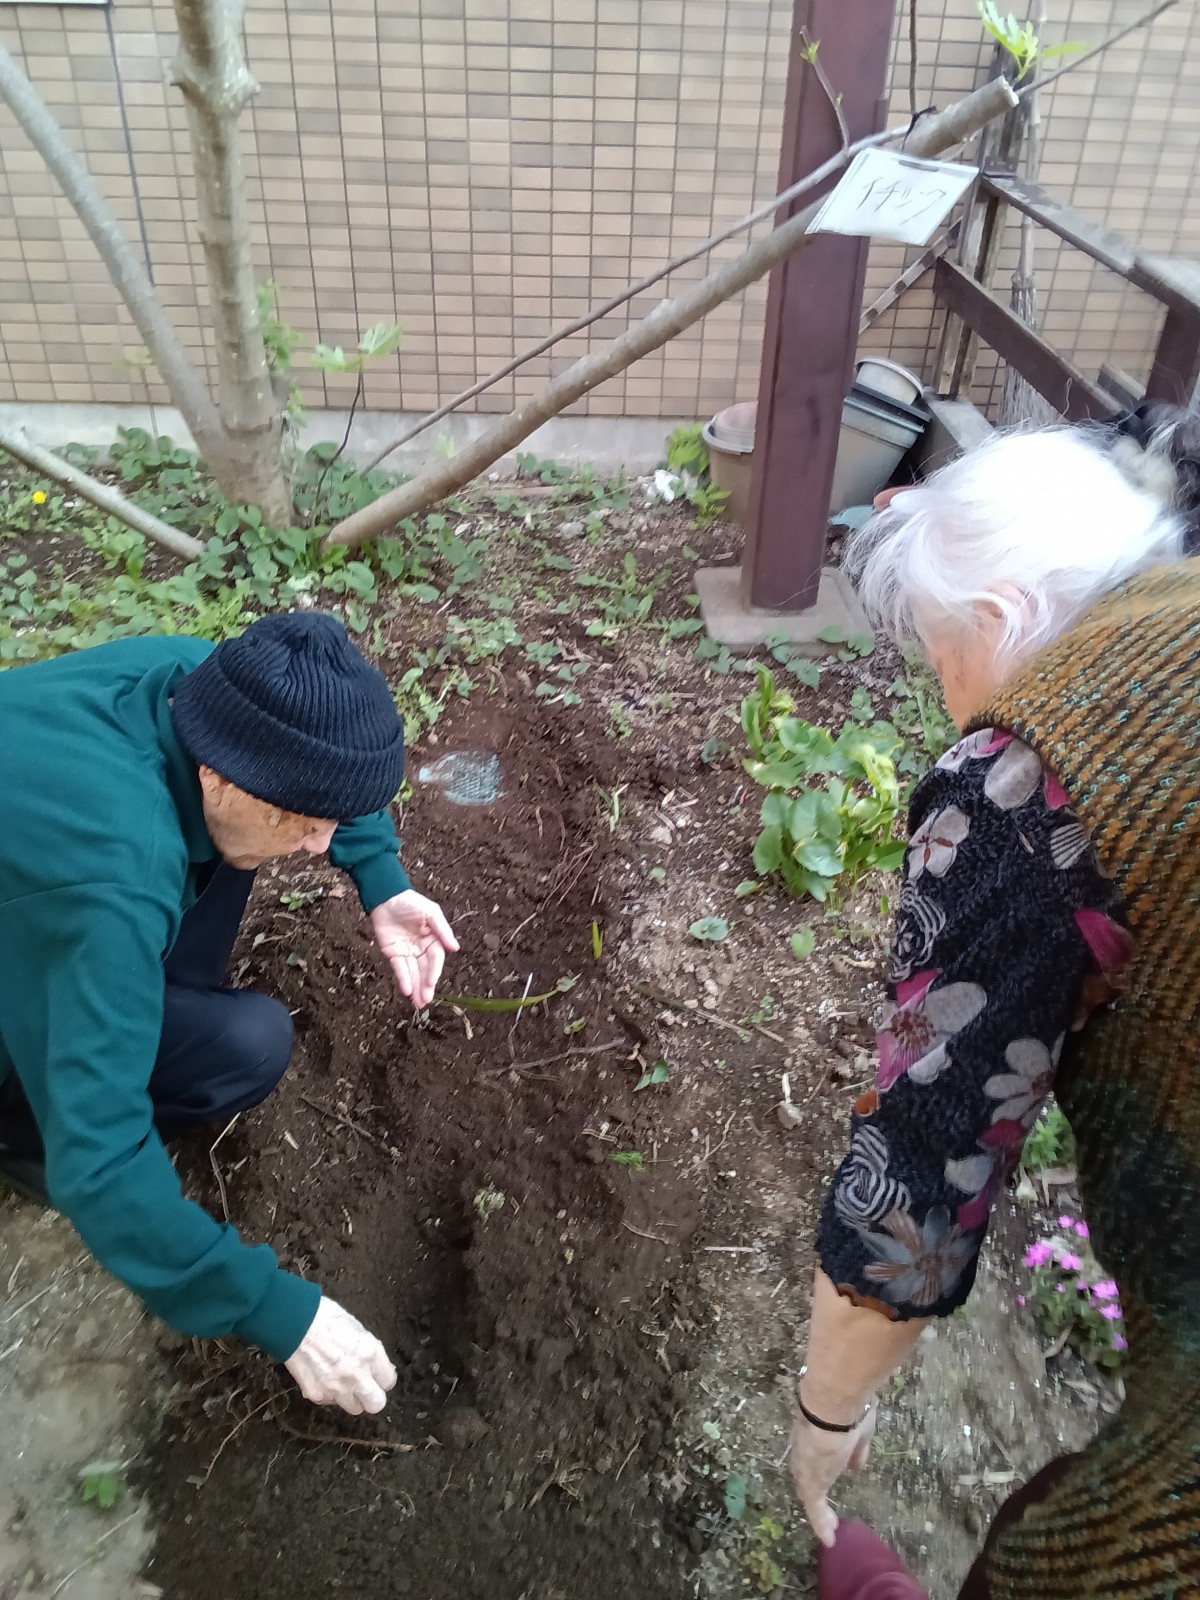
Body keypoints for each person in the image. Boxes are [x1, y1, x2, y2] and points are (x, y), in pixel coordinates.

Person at [786, 422, 1200, 1598]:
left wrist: (826, 1413)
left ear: (1005, 614)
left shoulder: (1024, 784)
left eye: (940, 654)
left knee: (1090, 1554)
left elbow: (918, 1167)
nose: (946, 697)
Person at [0, 613, 458, 1416]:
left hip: (38, 880)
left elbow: (313, 774)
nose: (318, 845)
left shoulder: (202, 688)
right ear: (216, 773)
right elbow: (101, 1159)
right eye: (303, 820)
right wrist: (277, 1312)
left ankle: (135, 1006)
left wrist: (382, 880)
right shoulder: (114, 883)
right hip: (51, 913)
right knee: (245, 1047)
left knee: (238, 848)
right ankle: (20, 1134)